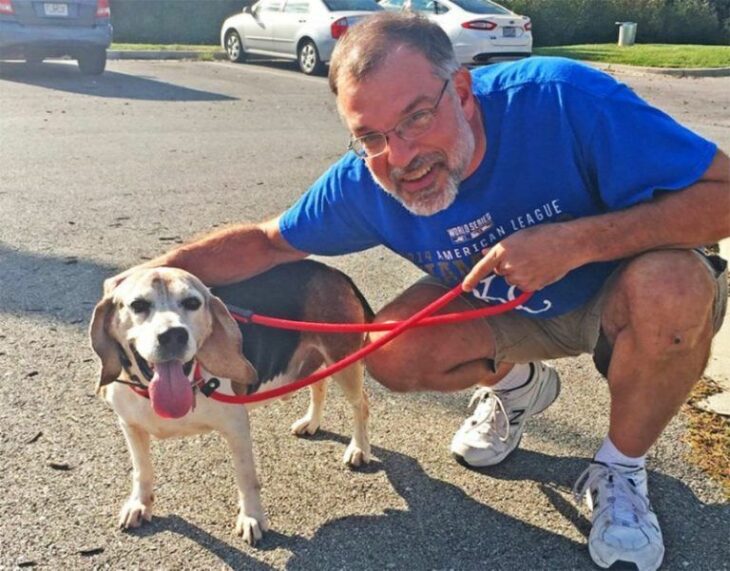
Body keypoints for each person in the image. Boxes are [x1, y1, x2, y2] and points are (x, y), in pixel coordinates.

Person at [110, 13, 729, 571]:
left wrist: (578, 242)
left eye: (416, 117)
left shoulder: (562, 99)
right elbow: (268, 243)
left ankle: (619, 470)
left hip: (619, 287)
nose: (400, 155)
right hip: (503, 302)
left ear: (460, 90)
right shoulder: (365, 179)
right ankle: (520, 388)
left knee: (671, 287)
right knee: (390, 350)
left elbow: (724, 195)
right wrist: (148, 274)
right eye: (371, 136)